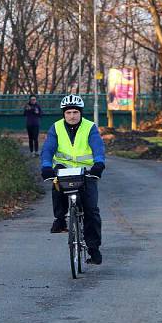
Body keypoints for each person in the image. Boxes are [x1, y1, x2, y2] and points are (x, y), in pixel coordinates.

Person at [40, 94, 106, 264]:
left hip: (87, 171)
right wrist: (46, 166)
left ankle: (93, 249)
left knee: (91, 210)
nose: (72, 116)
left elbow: (98, 147)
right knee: (57, 188)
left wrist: (99, 164)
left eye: (75, 112)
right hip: (64, 169)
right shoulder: (56, 128)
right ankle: (60, 220)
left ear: (81, 113)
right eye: (68, 112)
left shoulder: (90, 127)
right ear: (64, 113)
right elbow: (48, 148)